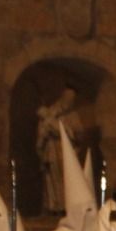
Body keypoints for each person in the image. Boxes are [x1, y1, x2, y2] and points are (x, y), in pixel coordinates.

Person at [35, 86, 79, 214]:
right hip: (53, 150)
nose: (70, 101)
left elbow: (77, 133)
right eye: (68, 98)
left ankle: (68, 206)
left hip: (68, 152)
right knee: (53, 180)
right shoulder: (49, 114)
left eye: (72, 99)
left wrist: (68, 133)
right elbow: (42, 135)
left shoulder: (73, 115)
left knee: (68, 178)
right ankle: (54, 206)